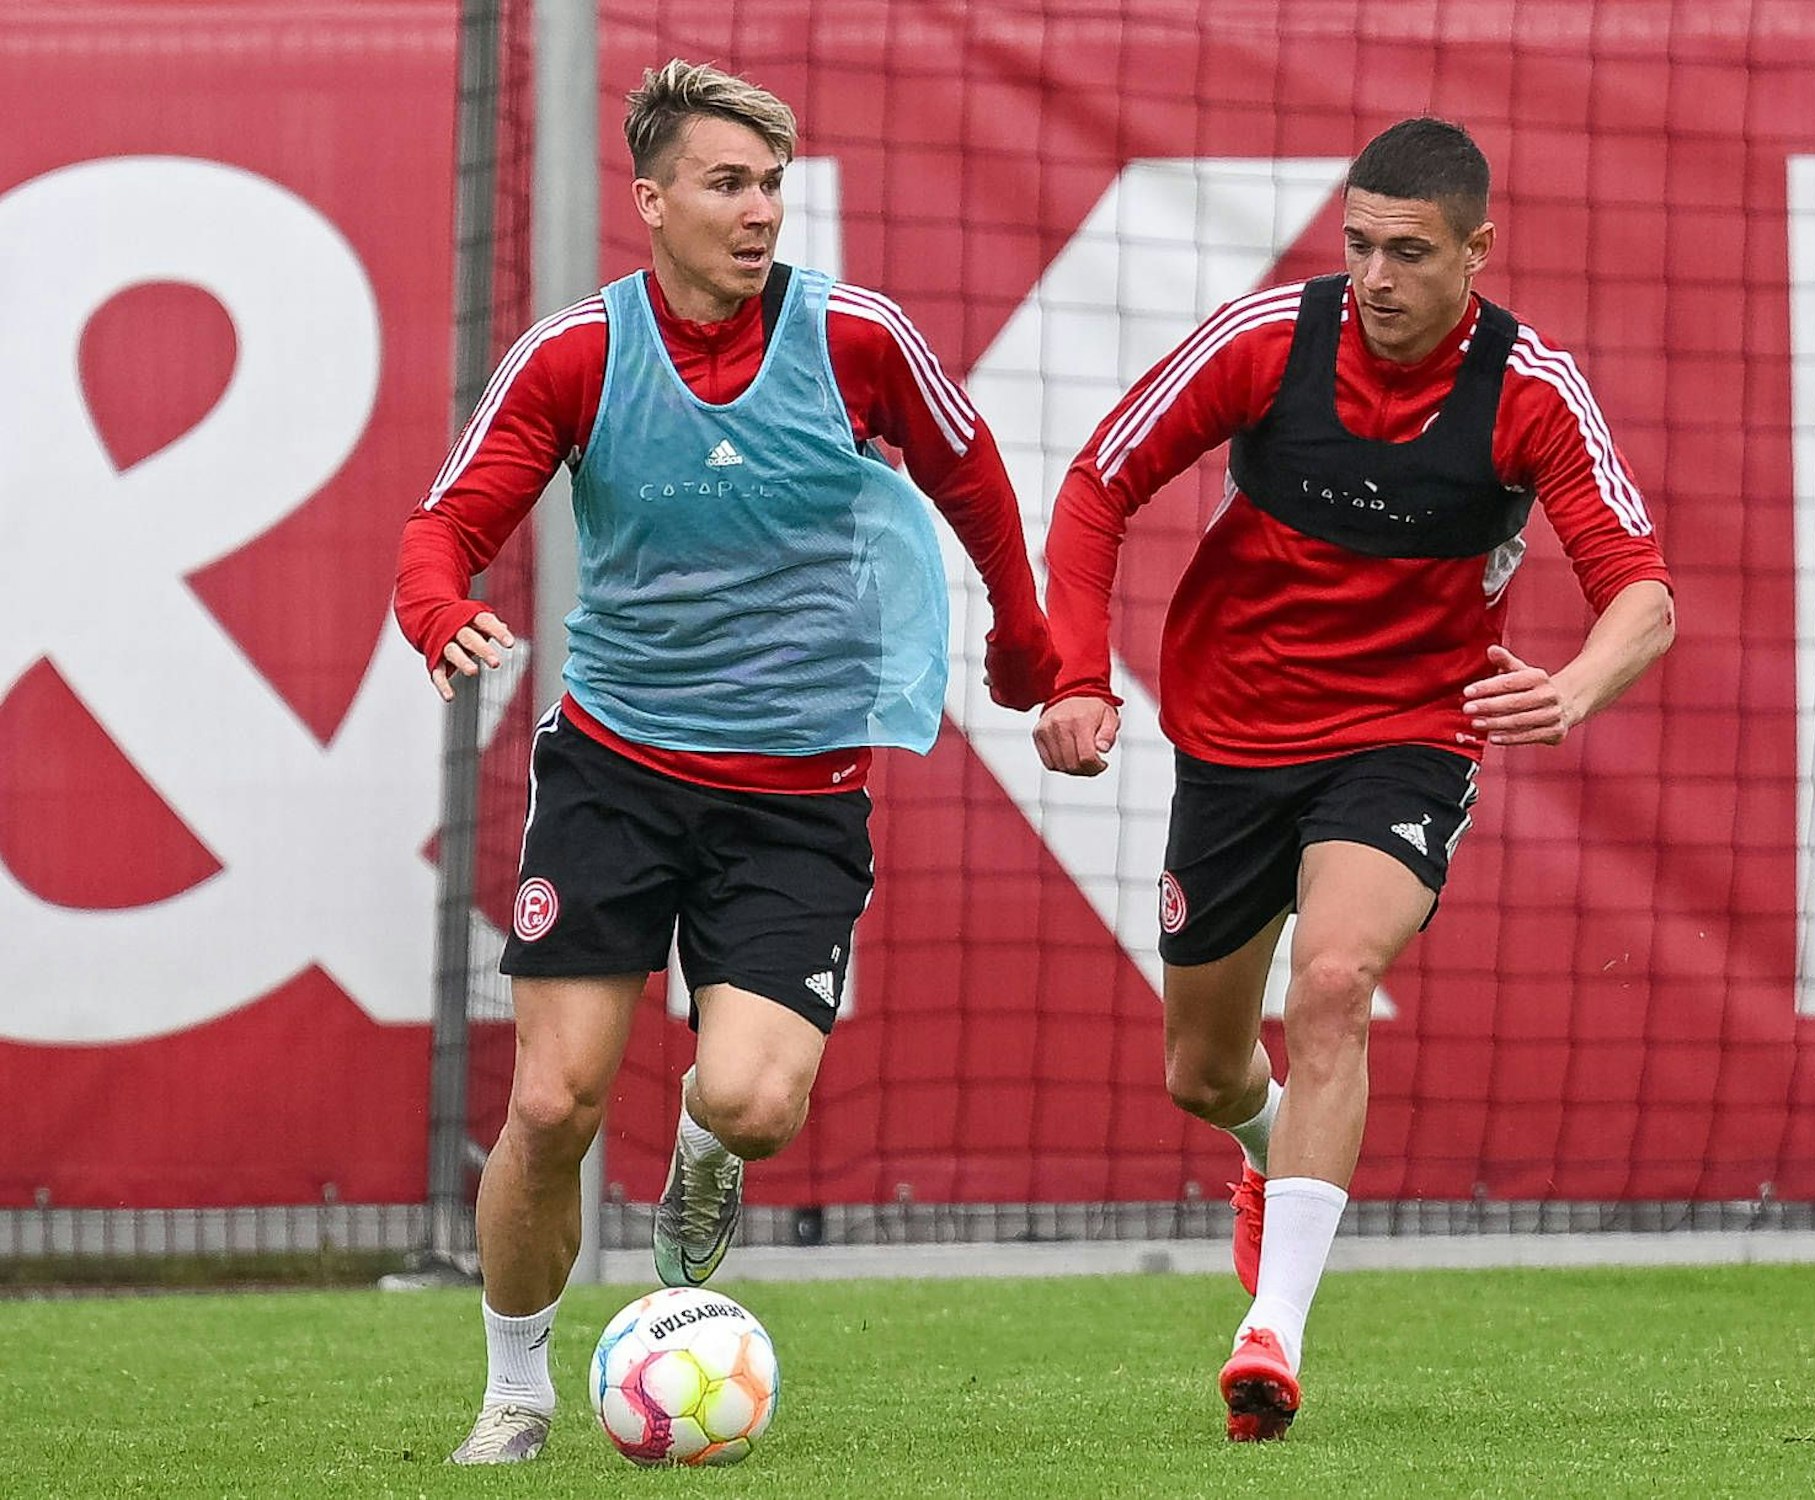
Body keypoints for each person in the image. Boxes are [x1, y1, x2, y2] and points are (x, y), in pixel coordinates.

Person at [395, 60, 1059, 1464]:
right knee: (552, 1102)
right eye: (727, 183)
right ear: (650, 201)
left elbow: (974, 474)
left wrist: (1028, 638)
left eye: (771, 185)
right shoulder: (579, 353)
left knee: (754, 1102)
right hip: (617, 773)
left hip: (798, 796)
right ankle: (516, 1389)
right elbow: (443, 524)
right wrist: (440, 610)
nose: (759, 211)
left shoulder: (856, 337)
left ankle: (702, 1154)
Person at [1033, 117, 1674, 1442]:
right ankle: (1268, 1152)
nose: (1378, 276)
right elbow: (1100, 481)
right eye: (1360, 244)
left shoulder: (1533, 391)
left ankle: (1275, 1332)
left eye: (1411, 252)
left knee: (1333, 980)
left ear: (1475, 254)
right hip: (1231, 733)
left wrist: (1570, 690)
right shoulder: (1269, 339)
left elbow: (1644, 597)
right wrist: (1080, 675)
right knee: (1204, 1075)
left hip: (1407, 736)